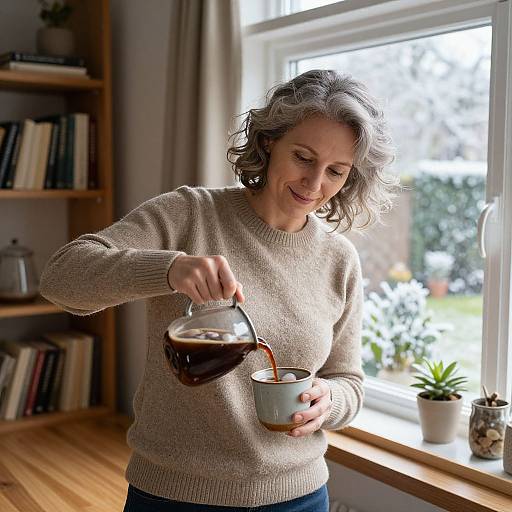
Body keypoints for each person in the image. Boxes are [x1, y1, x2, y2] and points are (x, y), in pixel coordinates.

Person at [40, 69, 397, 511]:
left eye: (336, 172)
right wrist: (168, 269)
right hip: (176, 493)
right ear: (269, 143)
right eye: (304, 157)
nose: (315, 184)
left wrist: (329, 401)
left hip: (299, 496)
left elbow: (348, 381)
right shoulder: (190, 214)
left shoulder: (338, 259)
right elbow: (60, 278)